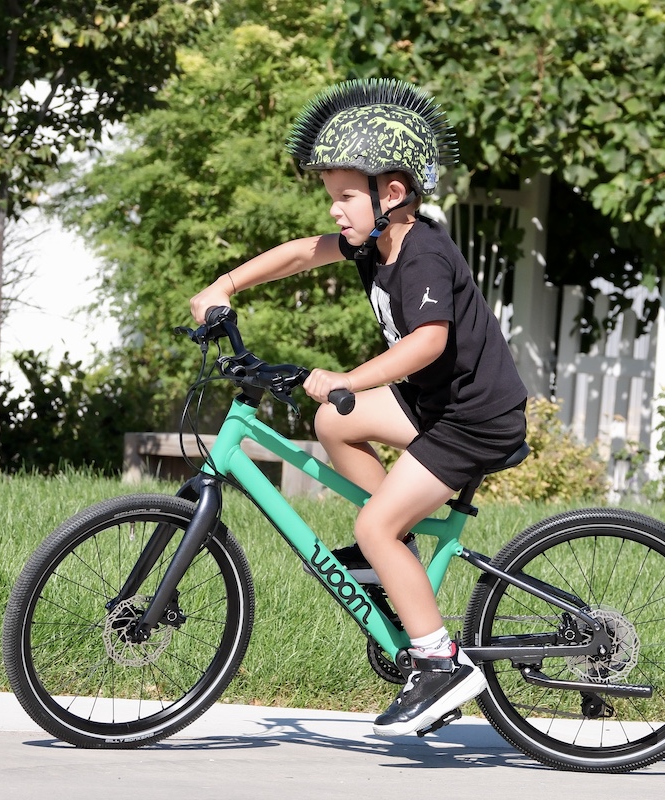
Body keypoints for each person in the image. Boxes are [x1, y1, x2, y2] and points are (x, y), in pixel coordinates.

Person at [189, 78, 528, 737]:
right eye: (332, 198)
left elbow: (429, 343)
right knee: (333, 422)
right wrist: (223, 285)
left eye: (345, 196)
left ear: (391, 193)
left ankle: (440, 665)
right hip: (435, 407)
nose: (337, 212)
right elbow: (301, 253)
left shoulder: (423, 253)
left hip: (473, 418)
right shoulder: (374, 242)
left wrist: (347, 374)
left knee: (371, 524)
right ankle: (392, 553)